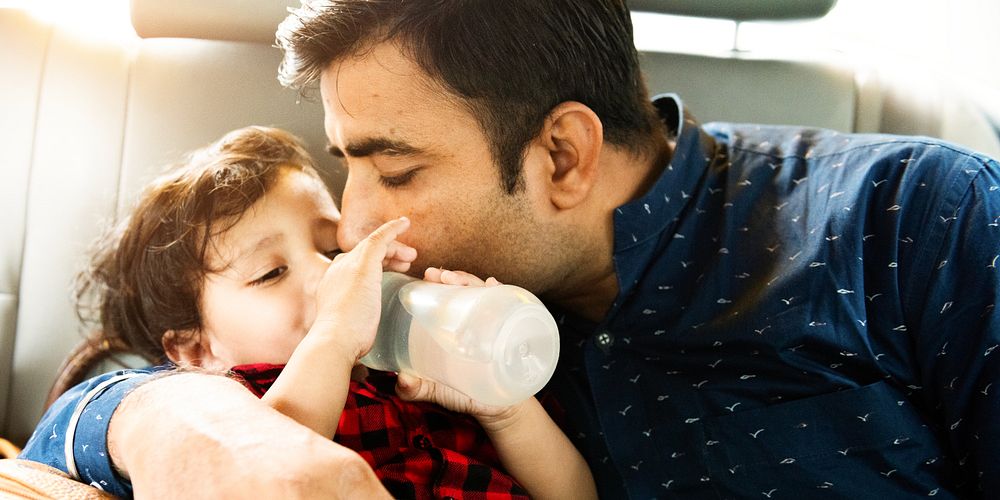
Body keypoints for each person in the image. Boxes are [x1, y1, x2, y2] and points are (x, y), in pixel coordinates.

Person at [25, 0, 1000, 497]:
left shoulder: (918, 216)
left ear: (561, 156)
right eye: (345, 165)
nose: (353, 226)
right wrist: (166, 418)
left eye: (395, 170)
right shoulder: (405, 317)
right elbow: (115, 374)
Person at [19, 126, 596, 500]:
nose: (331, 276)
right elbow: (273, 468)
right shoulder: (246, 403)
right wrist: (333, 339)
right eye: (271, 272)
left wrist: (505, 408)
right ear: (196, 351)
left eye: (335, 248)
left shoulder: (427, 376)